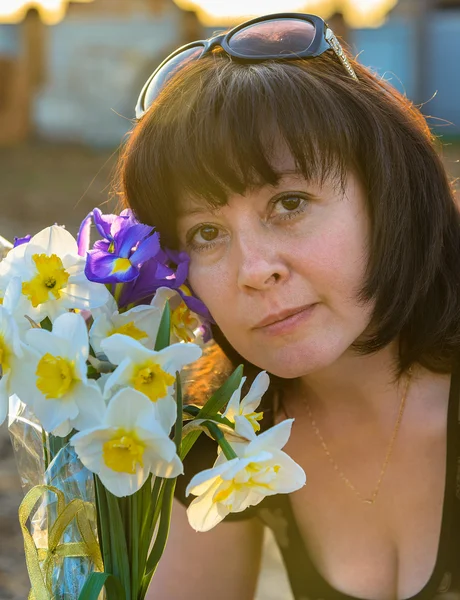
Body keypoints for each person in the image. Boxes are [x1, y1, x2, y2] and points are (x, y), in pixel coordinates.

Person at [116, 12, 460, 600]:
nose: (254, 270)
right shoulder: (226, 433)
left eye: (290, 203)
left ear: (388, 191)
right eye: (205, 233)